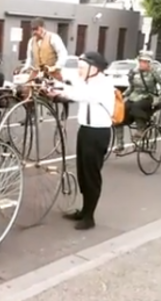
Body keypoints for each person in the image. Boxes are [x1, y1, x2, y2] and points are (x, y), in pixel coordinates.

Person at [46, 52, 114, 230]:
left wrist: (59, 94)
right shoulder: (89, 82)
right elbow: (75, 88)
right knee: (83, 173)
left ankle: (89, 217)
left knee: (91, 174)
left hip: (97, 133)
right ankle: (84, 210)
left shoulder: (103, 84)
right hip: (85, 130)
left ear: (95, 68)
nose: (80, 70)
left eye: (83, 68)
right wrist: (56, 86)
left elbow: (80, 95)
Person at [114, 51, 161, 151]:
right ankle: (119, 144)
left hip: (149, 97)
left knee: (136, 106)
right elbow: (131, 87)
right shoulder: (134, 72)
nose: (142, 64)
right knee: (120, 114)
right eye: (141, 61)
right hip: (134, 96)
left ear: (149, 63)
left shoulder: (155, 71)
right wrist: (122, 96)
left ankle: (141, 129)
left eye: (145, 62)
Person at [22, 18, 71, 120]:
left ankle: (65, 109)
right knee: (27, 88)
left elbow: (63, 54)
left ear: (42, 27)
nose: (34, 32)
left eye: (36, 29)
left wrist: (57, 66)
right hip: (37, 69)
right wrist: (25, 67)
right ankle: (30, 113)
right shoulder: (31, 41)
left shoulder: (53, 38)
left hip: (51, 68)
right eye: (33, 29)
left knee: (59, 90)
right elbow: (29, 57)